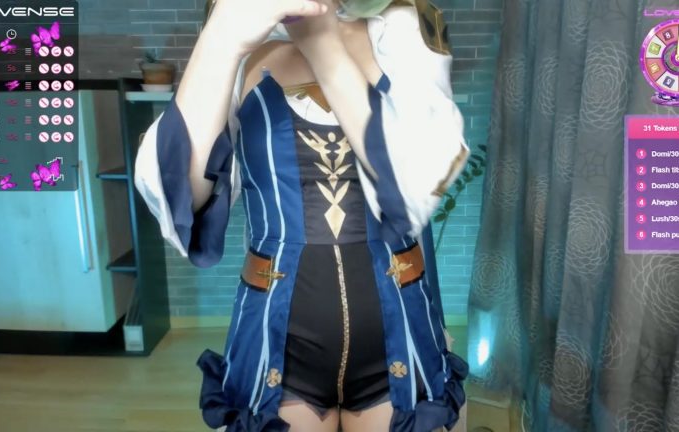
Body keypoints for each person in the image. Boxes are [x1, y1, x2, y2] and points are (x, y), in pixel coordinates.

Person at [134, 0, 470, 430]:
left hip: (399, 331)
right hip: (276, 339)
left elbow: (418, 184)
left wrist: (323, 44)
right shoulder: (240, 29)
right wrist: (222, 37)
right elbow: (175, 198)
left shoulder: (401, 28)